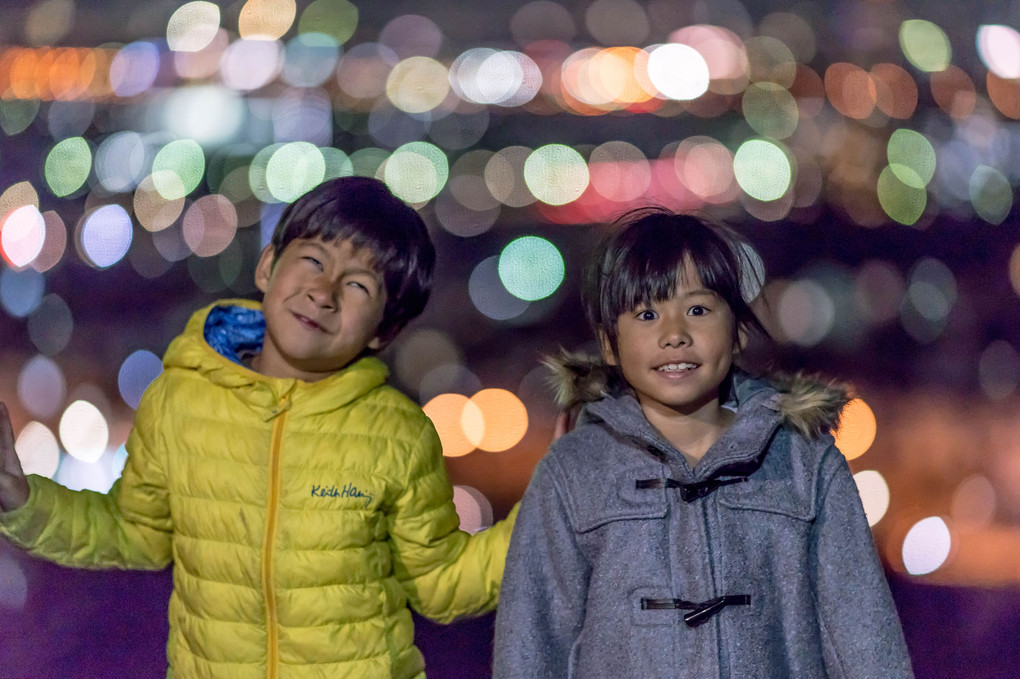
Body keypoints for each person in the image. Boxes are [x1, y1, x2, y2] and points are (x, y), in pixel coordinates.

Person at [0, 176, 517, 679]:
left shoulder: (397, 435)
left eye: (358, 285)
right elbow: (134, 532)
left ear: (385, 330)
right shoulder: (182, 400)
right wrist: (23, 500)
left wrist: (547, 512)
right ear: (269, 266)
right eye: (313, 260)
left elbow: (442, 582)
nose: (323, 292)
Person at [492, 208, 914, 678]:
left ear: (737, 331)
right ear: (609, 344)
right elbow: (530, 648)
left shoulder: (806, 464)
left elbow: (865, 640)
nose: (674, 335)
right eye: (647, 313)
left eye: (698, 310)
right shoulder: (574, 471)